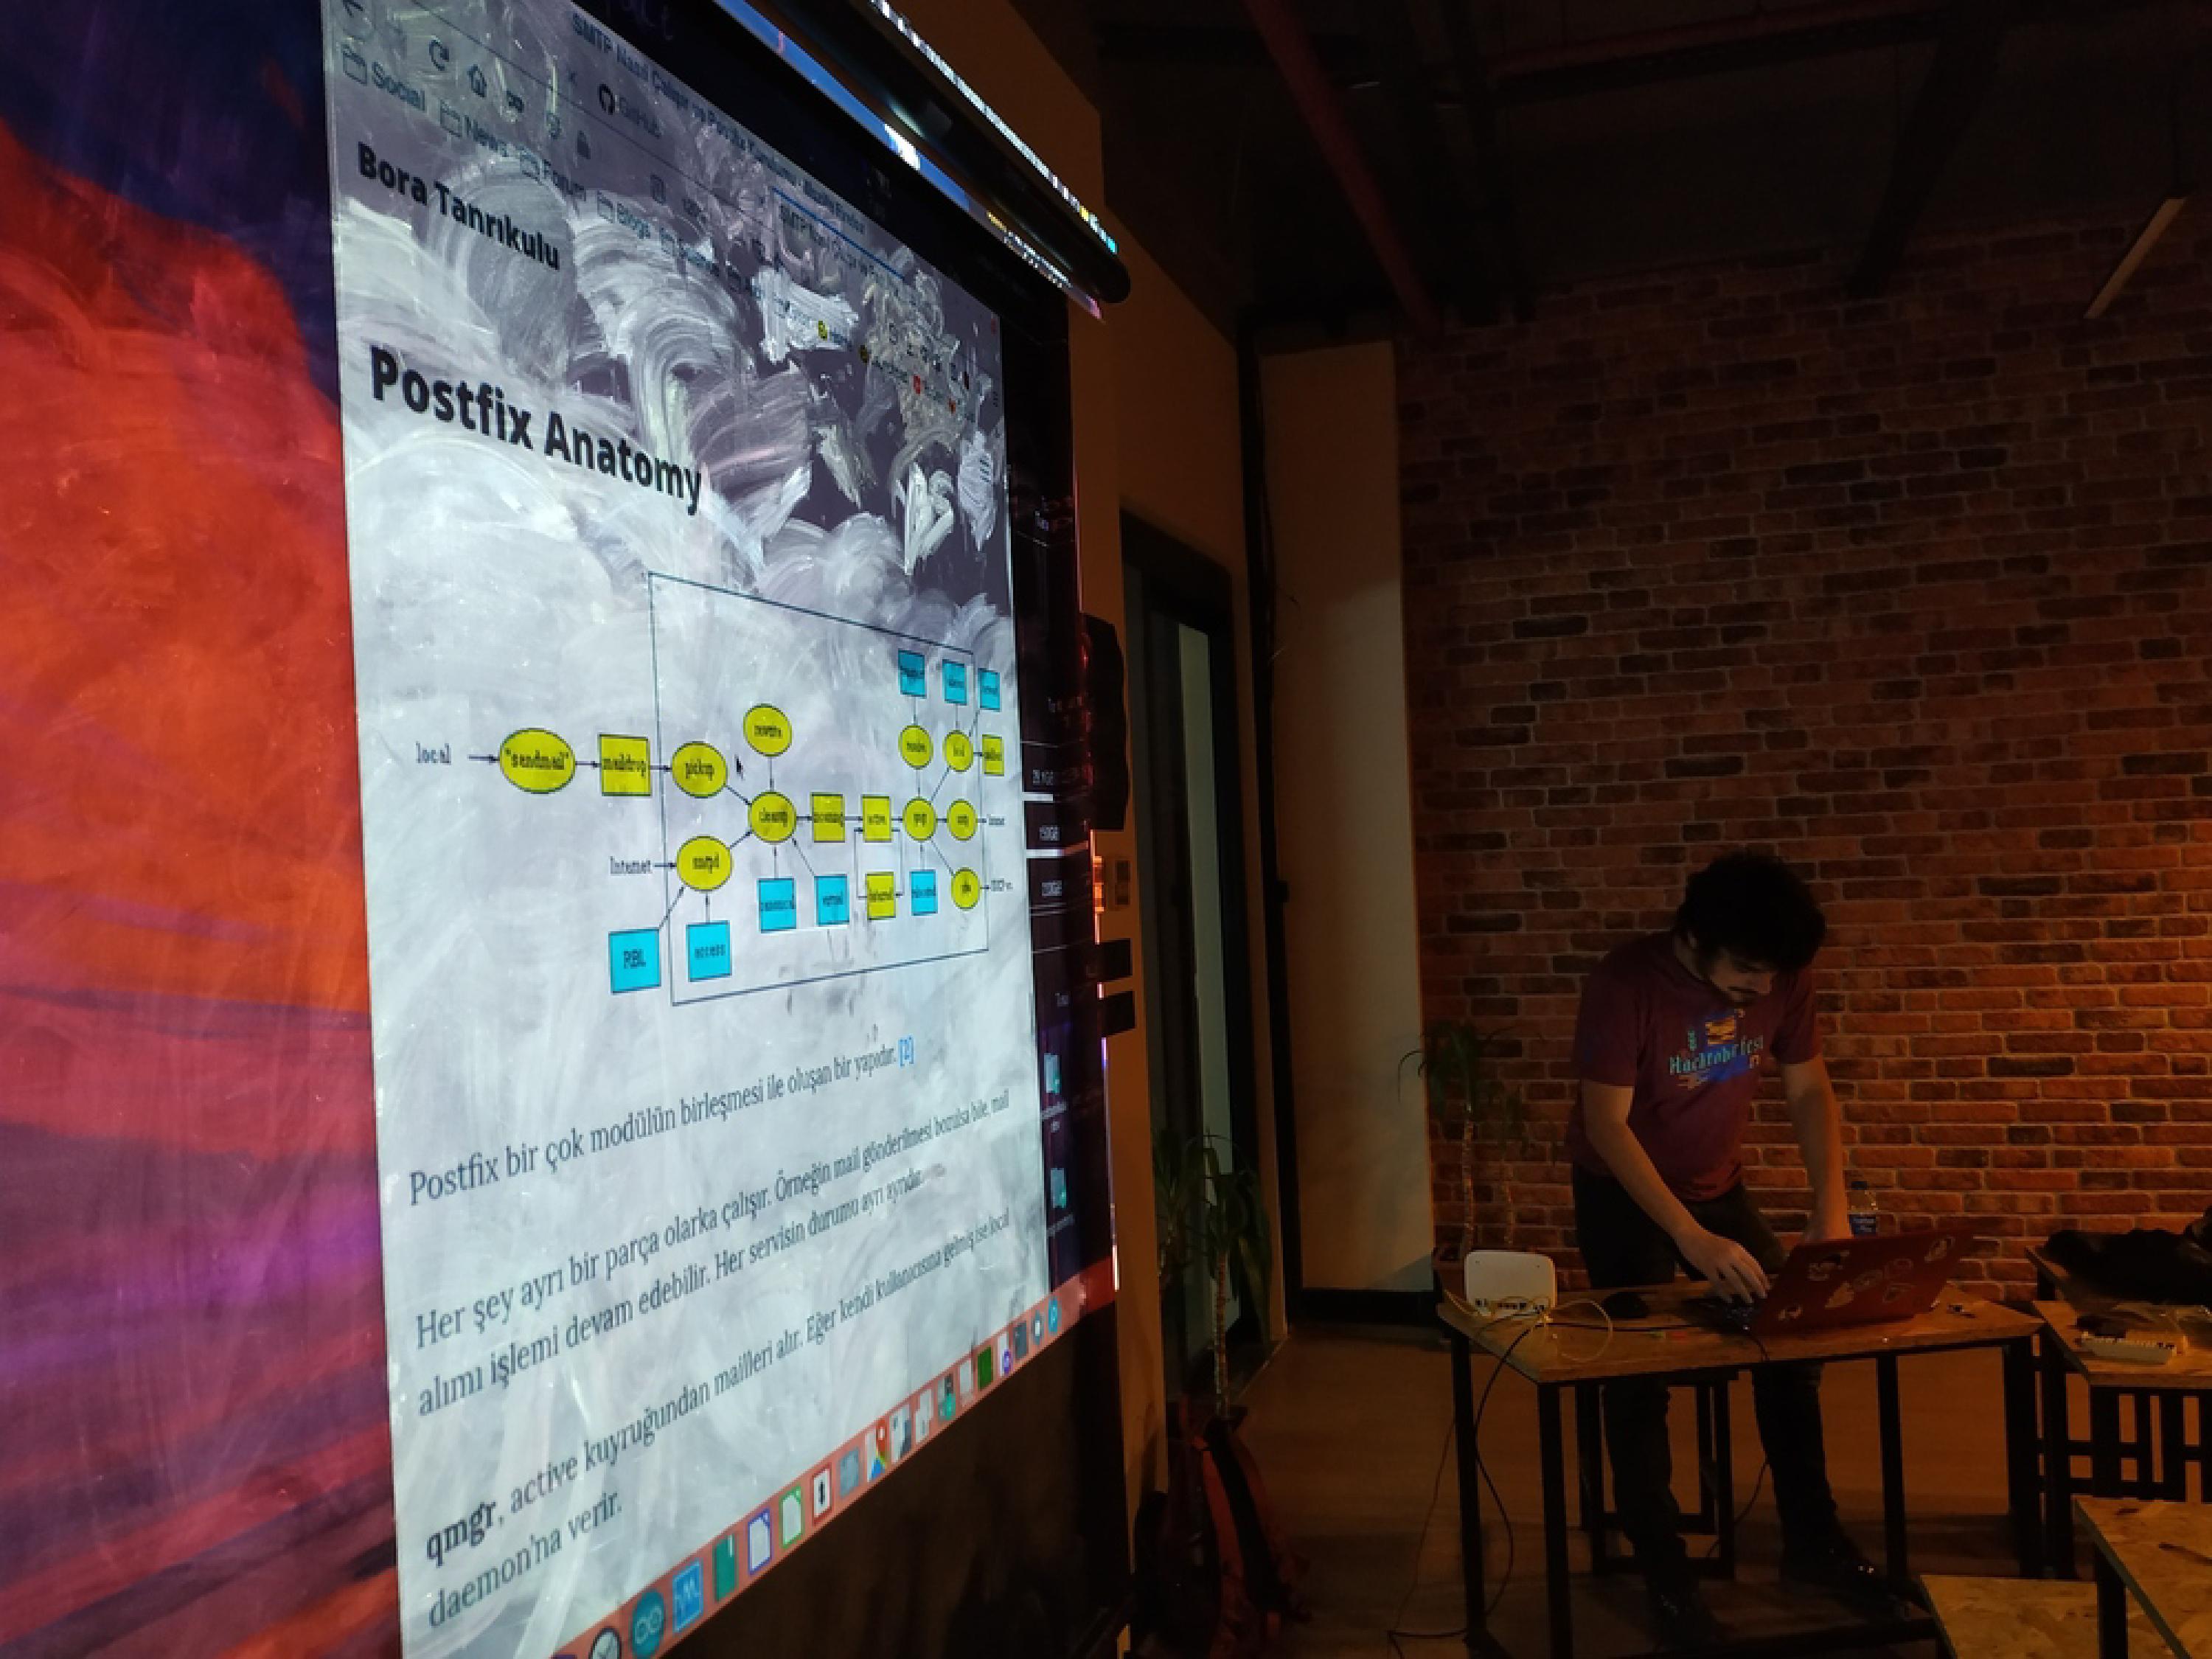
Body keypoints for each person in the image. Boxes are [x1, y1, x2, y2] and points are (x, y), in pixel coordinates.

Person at [1566, 850, 1890, 1649]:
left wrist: (1830, 1208)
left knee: (1792, 1340)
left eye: (1772, 974)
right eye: (1746, 970)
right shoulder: (1625, 983)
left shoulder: (1781, 976)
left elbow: (1809, 1088)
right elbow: (1606, 1126)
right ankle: (1666, 1571)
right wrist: (1688, 1234)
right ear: (1693, 937)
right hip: (1624, 1194)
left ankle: (1812, 1540)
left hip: (1719, 1184)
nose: (1760, 988)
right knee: (1639, 1381)